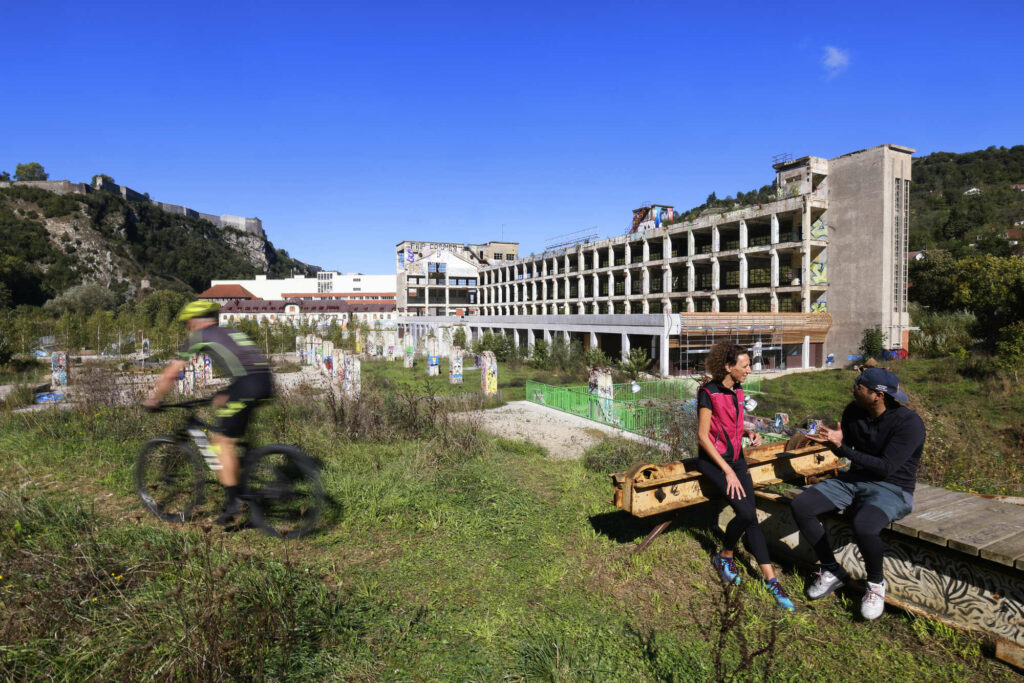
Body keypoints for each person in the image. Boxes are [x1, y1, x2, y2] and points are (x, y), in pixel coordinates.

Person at [791, 366, 925, 620]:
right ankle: (832, 569)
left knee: (863, 525)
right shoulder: (854, 412)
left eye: (859, 386)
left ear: (878, 395)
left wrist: (845, 450)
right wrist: (838, 443)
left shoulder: (909, 423)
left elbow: (886, 467)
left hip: (892, 487)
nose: (853, 389)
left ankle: (875, 584)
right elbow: (848, 446)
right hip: (854, 480)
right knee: (802, 505)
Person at [143, 300, 274, 525]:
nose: (188, 328)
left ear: (195, 321)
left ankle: (235, 501)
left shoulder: (199, 337)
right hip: (262, 380)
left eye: (187, 323)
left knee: (221, 441)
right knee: (225, 415)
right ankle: (242, 475)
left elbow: (171, 372)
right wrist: (227, 392)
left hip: (248, 383)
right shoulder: (229, 331)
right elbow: (247, 365)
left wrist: (155, 398)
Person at [696, 341, 794, 611]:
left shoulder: (738, 391)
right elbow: (703, 438)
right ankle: (725, 556)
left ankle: (771, 581)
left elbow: (729, 426)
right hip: (715, 463)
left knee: (749, 517)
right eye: (745, 366)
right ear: (728, 367)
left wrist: (747, 432)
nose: (750, 370)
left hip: (737, 460)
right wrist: (727, 471)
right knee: (748, 514)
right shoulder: (707, 392)